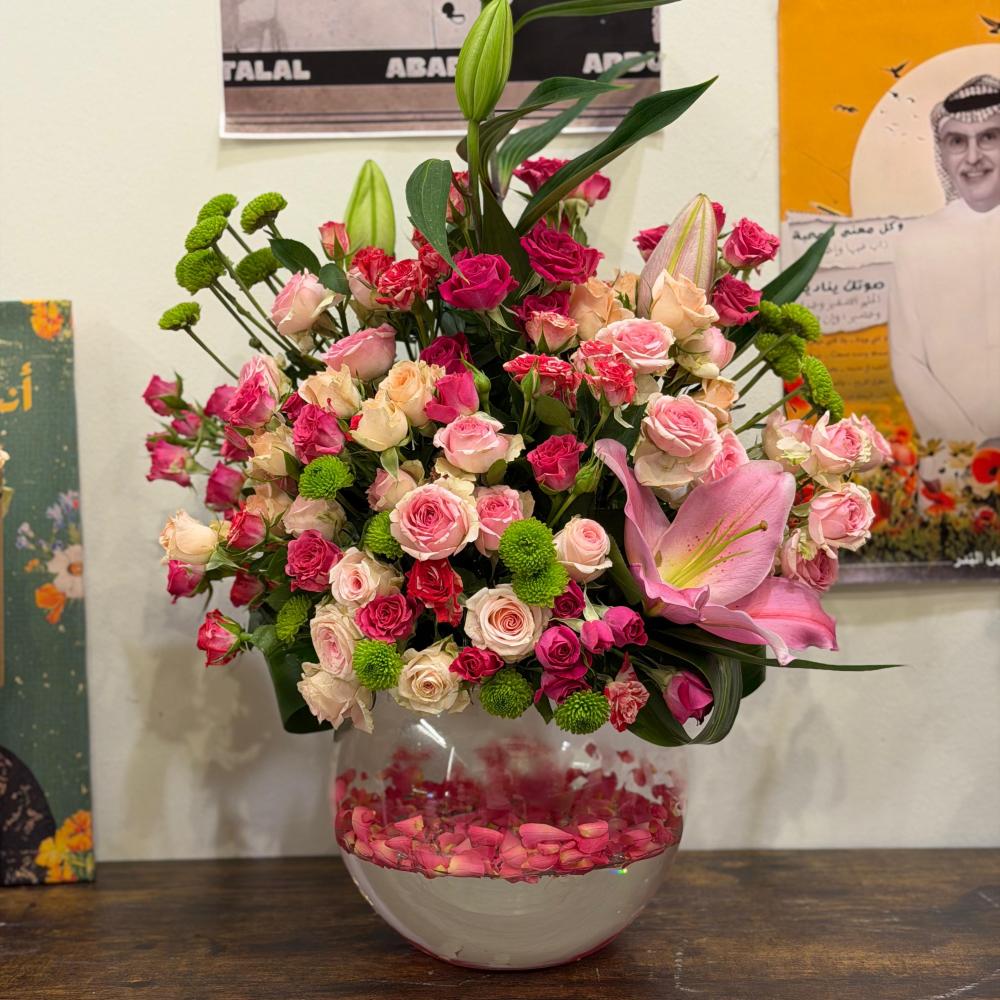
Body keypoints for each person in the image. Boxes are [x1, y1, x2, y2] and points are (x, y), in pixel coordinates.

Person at [888, 74, 1000, 445]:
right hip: (955, 457)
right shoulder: (916, 242)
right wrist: (972, 445)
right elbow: (907, 359)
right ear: (943, 153)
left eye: (989, 137)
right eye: (957, 142)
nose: (973, 157)